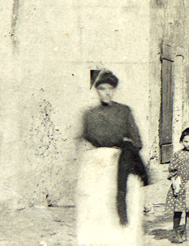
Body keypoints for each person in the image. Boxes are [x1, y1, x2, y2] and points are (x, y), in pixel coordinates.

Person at [77, 69, 148, 246]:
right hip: (97, 167)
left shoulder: (124, 111)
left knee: (122, 211)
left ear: (114, 89)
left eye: (110, 88)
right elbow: (86, 137)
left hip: (120, 163)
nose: (106, 92)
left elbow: (137, 141)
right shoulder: (90, 115)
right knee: (97, 209)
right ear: (96, 90)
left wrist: (124, 150)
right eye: (102, 88)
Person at [166, 127, 189, 243]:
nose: (188, 144)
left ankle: (186, 231)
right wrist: (175, 183)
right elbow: (172, 170)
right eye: (186, 141)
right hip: (180, 185)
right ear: (181, 141)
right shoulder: (177, 154)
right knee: (178, 209)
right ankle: (175, 231)